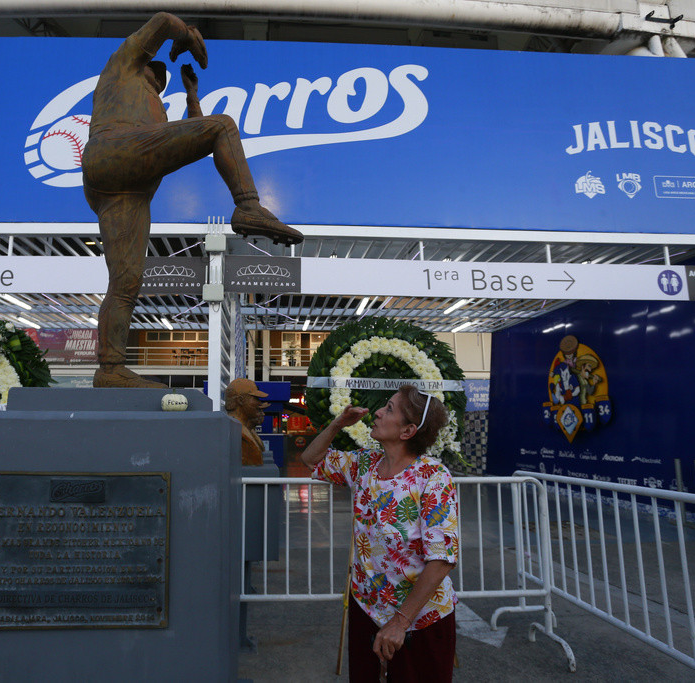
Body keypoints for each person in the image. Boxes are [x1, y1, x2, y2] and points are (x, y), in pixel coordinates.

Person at [83, 13, 304, 388]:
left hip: (125, 190)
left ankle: (110, 368)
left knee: (126, 282)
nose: (159, 77)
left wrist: (191, 96)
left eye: (161, 78)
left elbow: (191, 139)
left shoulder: (157, 107)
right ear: (147, 64)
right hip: (113, 152)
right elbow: (161, 20)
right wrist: (185, 34)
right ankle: (248, 204)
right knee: (224, 125)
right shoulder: (122, 67)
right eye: (157, 71)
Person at [301, 385, 458, 682]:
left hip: (419, 618)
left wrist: (400, 622)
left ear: (408, 430)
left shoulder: (433, 478)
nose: (377, 413)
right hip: (367, 606)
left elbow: (442, 559)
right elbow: (311, 459)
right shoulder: (364, 465)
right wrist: (337, 424)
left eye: (389, 409)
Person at [224, 377, 270, 466]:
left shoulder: (241, 429)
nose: (259, 403)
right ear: (240, 400)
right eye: (255, 398)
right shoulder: (236, 432)